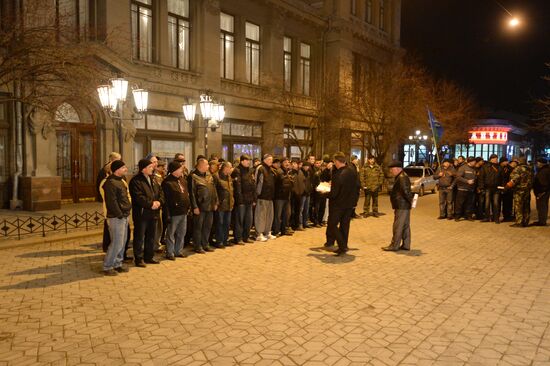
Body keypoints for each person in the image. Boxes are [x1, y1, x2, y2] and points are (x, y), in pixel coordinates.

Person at [129, 158, 164, 267]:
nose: (152, 168)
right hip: (142, 214)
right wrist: (150, 204)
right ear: (143, 169)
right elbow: (138, 197)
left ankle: (149, 256)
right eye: (150, 167)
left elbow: (160, 192)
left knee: (151, 236)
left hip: (154, 213)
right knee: (139, 237)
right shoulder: (136, 181)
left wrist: (159, 202)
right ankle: (139, 259)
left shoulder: (153, 179)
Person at [326, 152, 360, 256]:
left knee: (332, 225)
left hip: (338, 204)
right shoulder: (352, 171)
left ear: (337, 161)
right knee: (345, 225)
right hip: (349, 204)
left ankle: (342, 245)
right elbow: (357, 186)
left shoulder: (338, 174)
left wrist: (324, 193)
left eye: (334, 162)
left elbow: (334, 193)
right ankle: (343, 245)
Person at [101, 160, 131, 275]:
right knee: (116, 242)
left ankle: (117, 263)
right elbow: (111, 202)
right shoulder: (110, 183)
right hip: (116, 217)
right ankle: (107, 266)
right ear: (117, 169)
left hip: (124, 215)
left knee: (122, 242)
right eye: (123, 167)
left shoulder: (121, 181)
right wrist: (119, 214)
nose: (126, 169)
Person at [161, 161, 191, 260]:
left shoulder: (182, 180)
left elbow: (186, 193)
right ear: (174, 170)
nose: (182, 170)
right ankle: (170, 252)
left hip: (184, 211)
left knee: (181, 232)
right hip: (174, 212)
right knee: (171, 233)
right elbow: (166, 200)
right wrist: (167, 213)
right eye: (180, 169)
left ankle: (178, 250)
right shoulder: (167, 182)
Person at [382, 161, 414, 252]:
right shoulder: (402, 176)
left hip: (401, 205)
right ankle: (406, 245)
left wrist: (410, 201)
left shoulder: (402, 177)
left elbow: (406, 191)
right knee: (405, 225)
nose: (391, 171)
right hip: (404, 205)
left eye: (392, 169)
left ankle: (394, 245)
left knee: (398, 226)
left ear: (397, 169)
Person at [189, 157, 218, 253]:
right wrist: (195, 206)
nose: (208, 166)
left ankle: (205, 244)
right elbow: (192, 193)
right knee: (198, 227)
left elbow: (214, 190)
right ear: (201, 165)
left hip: (210, 205)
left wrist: (216, 201)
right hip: (200, 206)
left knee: (207, 226)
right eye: (207, 165)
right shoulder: (193, 176)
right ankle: (197, 246)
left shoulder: (209, 176)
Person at [231, 154, 256, 244]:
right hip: (241, 201)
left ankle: (246, 236)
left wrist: (254, 199)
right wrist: (240, 200)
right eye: (247, 160)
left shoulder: (250, 171)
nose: (249, 162)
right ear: (242, 161)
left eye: (250, 160)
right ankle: (238, 238)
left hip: (249, 200)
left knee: (248, 220)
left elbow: (253, 185)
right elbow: (238, 187)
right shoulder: (237, 171)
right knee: (239, 220)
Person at [506, 156, 533, 227]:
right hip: (527, 190)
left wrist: (507, 186)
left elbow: (514, 179)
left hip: (519, 190)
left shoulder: (518, 169)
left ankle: (519, 222)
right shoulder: (530, 169)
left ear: (519, 161)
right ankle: (526, 221)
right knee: (526, 206)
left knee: (519, 206)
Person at [254, 154, 276, 241]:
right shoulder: (260, 168)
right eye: (270, 159)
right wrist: (257, 194)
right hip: (261, 196)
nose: (271, 161)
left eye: (272, 159)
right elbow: (256, 182)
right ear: (265, 159)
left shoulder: (271, 169)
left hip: (270, 197)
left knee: (269, 216)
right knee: (261, 216)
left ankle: (267, 232)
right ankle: (259, 233)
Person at [214, 162, 234, 248]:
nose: (231, 169)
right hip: (220, 205)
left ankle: (225, 240)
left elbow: (231, 190)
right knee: (220, 223)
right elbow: (214, 191)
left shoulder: (229, 177)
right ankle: (219, 241)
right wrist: (216, 202)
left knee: (227, 223)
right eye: (230, 167)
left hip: (229, 204)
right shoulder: (216, 176)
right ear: (225, 168)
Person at [478, 154, 502, 224]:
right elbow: (481, 178)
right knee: (487, 203)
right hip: (487, 187)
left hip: (497, 188)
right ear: (490, 159)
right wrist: (481, 187)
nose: (495, 160)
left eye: (496, 158)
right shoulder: (485, 167)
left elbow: (502, 178)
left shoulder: (499, 167)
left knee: (496, 203)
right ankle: (487, 217)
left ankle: (496, 218)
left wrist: (502, 187)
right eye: (494, 158)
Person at [272, 158, 293, 237]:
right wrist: (289, 180)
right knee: (278, 215)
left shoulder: (287, 172)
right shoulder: (279, 171)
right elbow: (284, 183)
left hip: (286, 197)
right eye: (285, 162)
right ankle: (276, 231)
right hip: (279, 197)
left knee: (286, 214)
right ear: (281, 163)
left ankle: (284, 230)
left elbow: (291, 185)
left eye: (288, 162)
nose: (287, 163)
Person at [454, 157, 477, 221]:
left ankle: (468, 216)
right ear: (470, 162)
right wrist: (467, 181)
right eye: (474, 162)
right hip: (462, 189)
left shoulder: (474, 169)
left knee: (469, 204)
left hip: (470, 189)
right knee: (459, 203)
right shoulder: (463, 168)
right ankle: (457, 216)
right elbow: (458, 177)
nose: (475, 163)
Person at [533, 158, 549, 226]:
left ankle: (542, 221)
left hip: (542, 192)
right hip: (544, 191)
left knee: (541, 207)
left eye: (538, 163)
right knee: (543, 206)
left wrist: (540, 192)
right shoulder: (545, 170)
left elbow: (542, 182)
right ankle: (542, 220)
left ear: (541, 163)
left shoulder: (544, 171)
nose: (537, 164)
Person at [290, 159, 306, 231]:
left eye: (295, 163)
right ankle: (292, 225)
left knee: (298, 210)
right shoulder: (290, 172)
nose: (293, 165)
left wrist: (302, 191)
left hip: (300, 195)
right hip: (292, 195)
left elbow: (303, 182)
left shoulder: (300, 172)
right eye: (292, 163)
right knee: (292, 211)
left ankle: (297, 225)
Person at [499, 157, 514, 222]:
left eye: (507, 161)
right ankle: (497, 215)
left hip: (508, 188)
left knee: (507, 202)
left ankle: (507, 216)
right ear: (502, 162)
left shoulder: (510, 168)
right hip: (499, 187)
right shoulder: (498, 167)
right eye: (505, 161)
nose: (507, 162)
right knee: (498, 202)